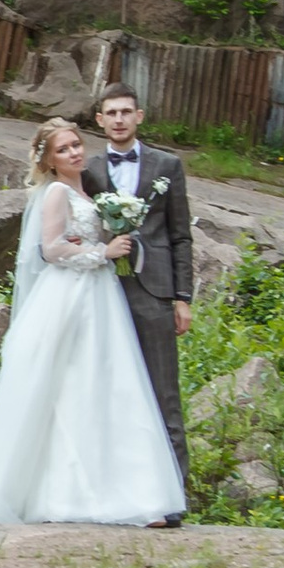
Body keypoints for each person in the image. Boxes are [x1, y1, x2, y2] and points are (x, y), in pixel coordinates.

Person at [0, 118, 186, 526]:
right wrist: (104, 252)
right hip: (71, 296)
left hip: (99, 295)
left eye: (76, 144)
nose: (75, 152)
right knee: (70, 386)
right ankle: (63, 494)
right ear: (49, 160)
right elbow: (51, 249)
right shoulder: (56, 192)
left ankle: (127, 493)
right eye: (63, 149)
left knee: (106, 387)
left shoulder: (85, 189)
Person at [79, 82, 193, 520]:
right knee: (110, 392)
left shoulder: (168, 165)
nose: (120, 119)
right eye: (112, 113)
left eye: (127, 112)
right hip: (104, 291)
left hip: (155, 290)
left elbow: (180, 234)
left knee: (164, 394)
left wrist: (183, 297)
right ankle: (115, 496)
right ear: (101, 120)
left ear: (139, 117)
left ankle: (173, 501)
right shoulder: (87, 169)